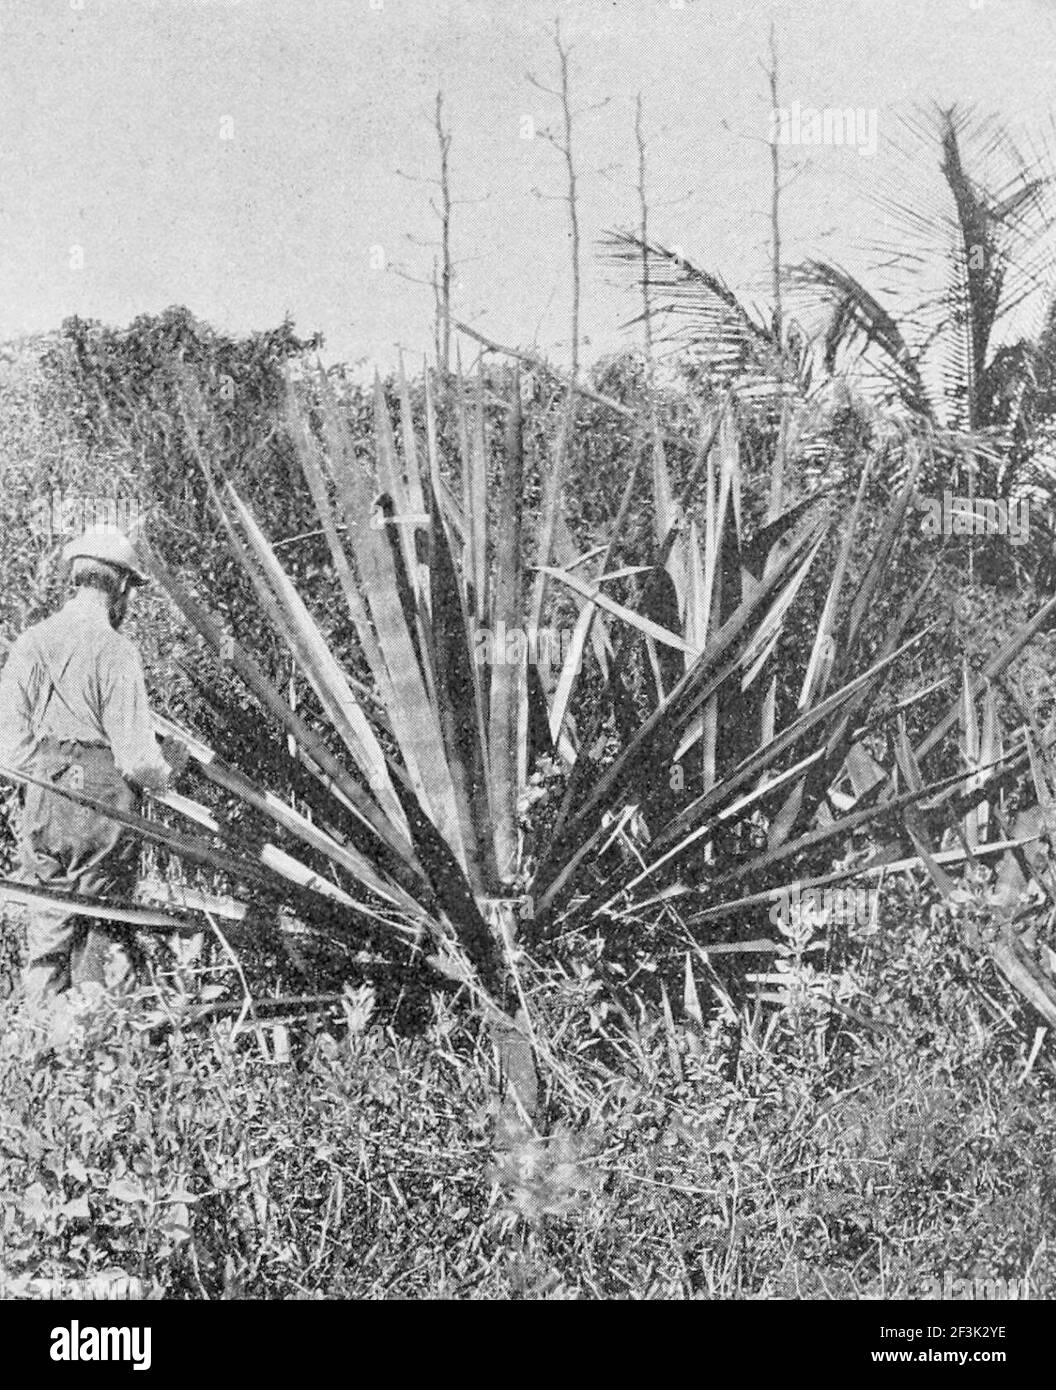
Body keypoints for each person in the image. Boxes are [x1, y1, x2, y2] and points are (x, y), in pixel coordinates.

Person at [0, 524, 186, 1001]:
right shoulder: (116, 651)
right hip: (104, 806)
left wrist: (49, 775)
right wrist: (172, 773)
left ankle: (37, 1044)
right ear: (121, 585)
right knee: (101, 931)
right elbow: (137, 759)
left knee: (48, 927)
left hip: (44, 796)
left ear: (76, 578)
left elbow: (8, 747)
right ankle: (91, 1042)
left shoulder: (32, 643)